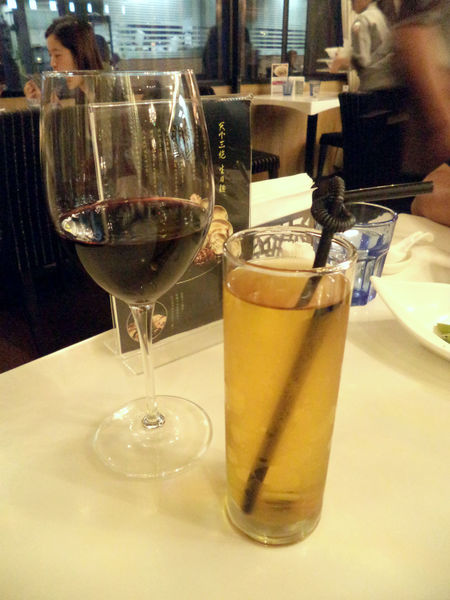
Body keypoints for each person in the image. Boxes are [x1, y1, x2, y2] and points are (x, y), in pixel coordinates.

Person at [24, 16, 103, 101]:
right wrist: (46, 101)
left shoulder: (109, 87)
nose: (52, 64)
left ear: (81, 53)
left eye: (57, 55)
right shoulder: (81, 93)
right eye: (50, 55)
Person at [330, 0, 397, 92]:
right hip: (391, 83)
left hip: (374, 85)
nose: (352, 7)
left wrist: (340, 61)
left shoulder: (362, 20)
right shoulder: (382, 16)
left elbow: (362, 60)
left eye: (353, 1)